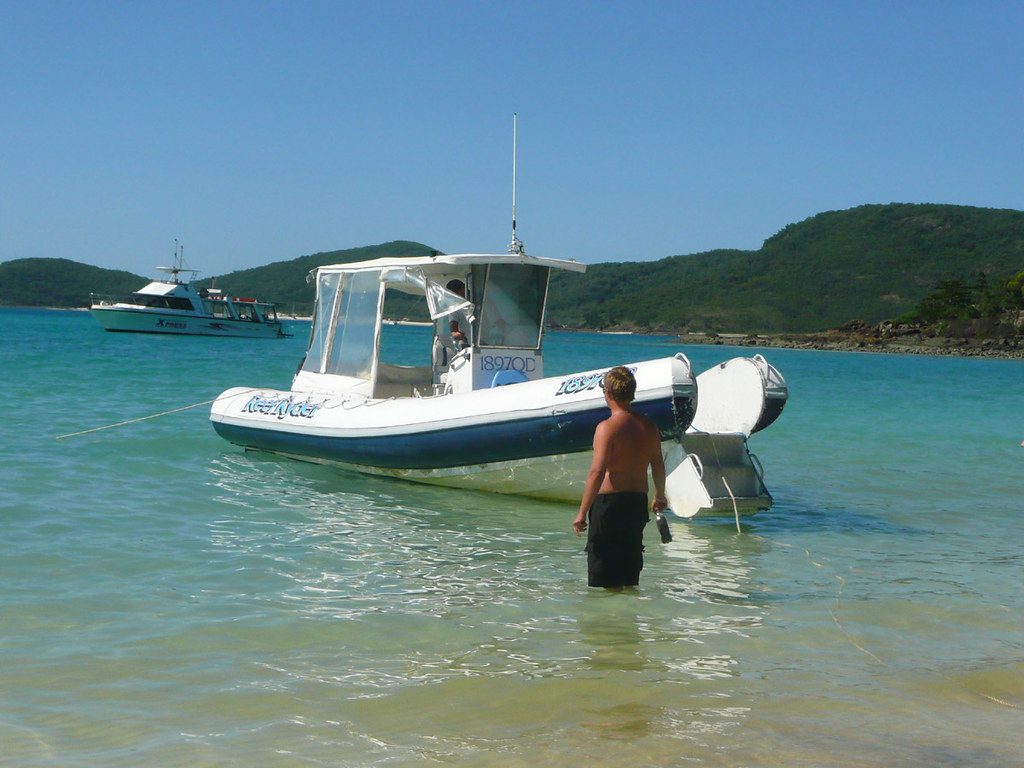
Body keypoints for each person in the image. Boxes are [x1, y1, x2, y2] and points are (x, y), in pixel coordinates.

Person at [572, 366, 667, 589]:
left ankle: (608, 622)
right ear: (632, 394)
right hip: (637, 502)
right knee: (629, 571)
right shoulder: (649, 426)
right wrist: (659, 495)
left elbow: (597, 472)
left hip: (609, 505)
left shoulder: (607, 428)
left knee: (605, 576)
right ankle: (628, 621)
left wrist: (582, 512)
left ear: (608, 394)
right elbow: (658, 464)